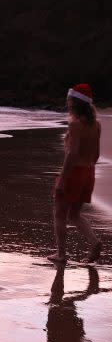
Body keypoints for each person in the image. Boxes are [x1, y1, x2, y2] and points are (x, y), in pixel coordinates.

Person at [48, 84, 102, 263]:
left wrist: (63, 179)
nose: (66, 101)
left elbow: (72, 153)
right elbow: (96, 154)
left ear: (75, 102)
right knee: (74, 215)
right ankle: (94, 241)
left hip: (75, 173)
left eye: (69, 98)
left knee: (59, 214)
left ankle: (61, 254)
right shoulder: (96, 125)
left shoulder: (75, 124)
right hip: (89, 172)